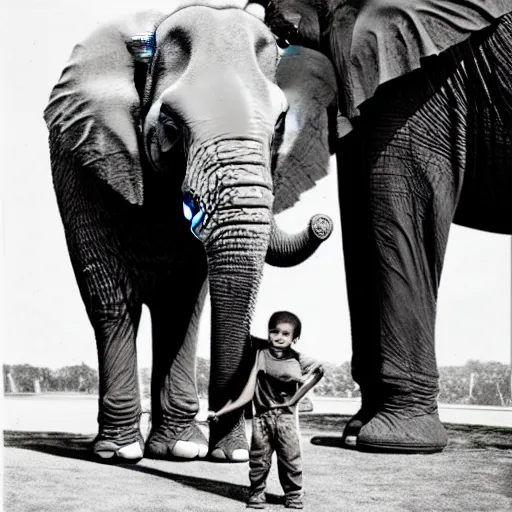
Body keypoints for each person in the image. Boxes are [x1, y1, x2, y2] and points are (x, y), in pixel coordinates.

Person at [208, 311, 324, 509]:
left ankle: (293, 496)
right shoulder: (260, 356)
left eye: (286, 334)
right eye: (274, 331)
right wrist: (220, 413)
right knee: (258, 460)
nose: (279, 337)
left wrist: (295, 399)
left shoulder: (299, 360)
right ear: (268, 333)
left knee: (290, 459)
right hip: (261, 419)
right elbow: (246, 394)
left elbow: (319, 370)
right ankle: (256, 494)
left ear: (295, 338)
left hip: (286, 420)